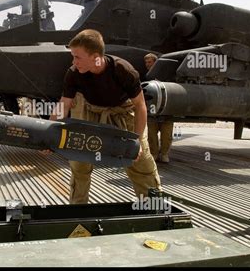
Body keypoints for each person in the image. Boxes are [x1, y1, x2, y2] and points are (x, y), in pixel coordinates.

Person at [48, 30, 161, 204]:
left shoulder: (123, 69)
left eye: (77, 57)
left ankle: (153, 207)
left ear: (95, 57)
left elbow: (140, 106)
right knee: (79, 162)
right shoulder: (74, 73)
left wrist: (136, 142)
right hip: (91, 110)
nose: (73, 61)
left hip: (123, 112)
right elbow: (64, 104)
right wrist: (48, 135)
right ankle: (77, 210)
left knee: (140, 160)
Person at [144, 53, 174, 163]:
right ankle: (154, 153)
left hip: (166, 110)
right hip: (152, 111)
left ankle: (164, 153)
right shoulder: (146, 76)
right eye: (146, 62)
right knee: (151, 135)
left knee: (167, 135)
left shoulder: (166, 75)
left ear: (155, 63)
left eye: (150, 62)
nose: (147, 65)